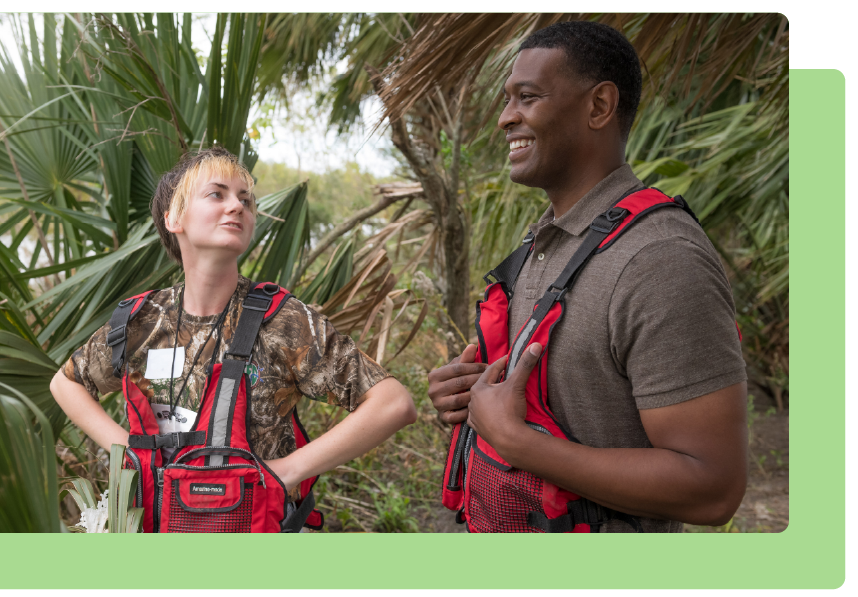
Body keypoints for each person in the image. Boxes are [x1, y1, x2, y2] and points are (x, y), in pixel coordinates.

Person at [427, 21, 747, 532]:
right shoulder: (546, 242)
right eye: (508, 100)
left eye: (526, 97)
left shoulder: (661, 259)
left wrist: (516, 442)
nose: (506, 118)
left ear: (599, 106)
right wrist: (472, 395)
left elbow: (713, 489)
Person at [51, 146, 417, 532]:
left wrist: (289, 470)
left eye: (246, 200)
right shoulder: (141, 321)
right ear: (174, 218)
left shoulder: (282, 320)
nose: (237, 206)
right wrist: (127, 450)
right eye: (217, 194)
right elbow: (65, 382)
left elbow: (393, 404)